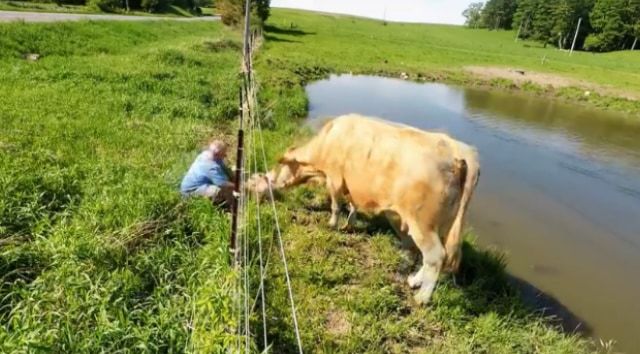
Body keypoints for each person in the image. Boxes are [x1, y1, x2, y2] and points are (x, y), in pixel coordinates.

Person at [180, 139, 236, 209]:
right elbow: (223, 184)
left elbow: (223, 166)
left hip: (198, 183)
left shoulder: (207, 154)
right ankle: (226, 206)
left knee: (229, 175)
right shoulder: (210, 166)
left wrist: (232, 176)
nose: (225, 156)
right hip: (190, 192)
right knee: (218, 190)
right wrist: (238, 186)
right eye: (224, 154)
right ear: (217, 154)